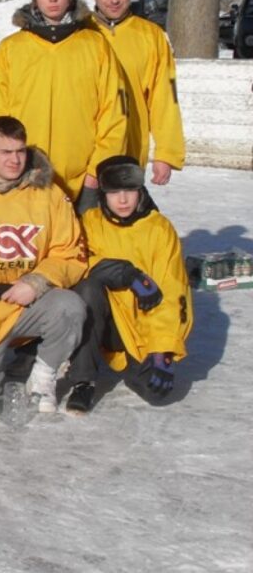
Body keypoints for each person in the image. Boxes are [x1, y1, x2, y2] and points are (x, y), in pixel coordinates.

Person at [0, 116, 87, 414]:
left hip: (32, 305)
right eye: (6, 152)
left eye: (20, 151)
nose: (15, 160)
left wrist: (36, 282)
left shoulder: (49, 195)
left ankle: (43, 377)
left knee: (70, 306)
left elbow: (72, 253)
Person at [0, 0, 127, 213]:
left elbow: (114, 115)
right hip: (24, 178)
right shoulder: (12, 49)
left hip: (84, 181)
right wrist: (2, 167)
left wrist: (97, 171)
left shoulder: (95, 45)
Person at [64, 156, 193, 414]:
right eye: (114, 192)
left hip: (143, 329)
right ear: (103, 193)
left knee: (157, 394)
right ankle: (83, 380)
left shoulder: (159, 229)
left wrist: (163, 349)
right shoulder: (91, 223)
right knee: (86, 289)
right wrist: (123, 272)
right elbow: (77, 263)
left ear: (140, 190)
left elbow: (172, 290)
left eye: (129, 191)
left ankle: (136, 360)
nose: (122, 200)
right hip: (110, 318)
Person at [87, 0, 185, 184]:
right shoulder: (81, 33)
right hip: (83, 149)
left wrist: (166, 153)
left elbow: (165, 98)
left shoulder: (151, 37)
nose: (113, 0)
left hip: (129, 149)